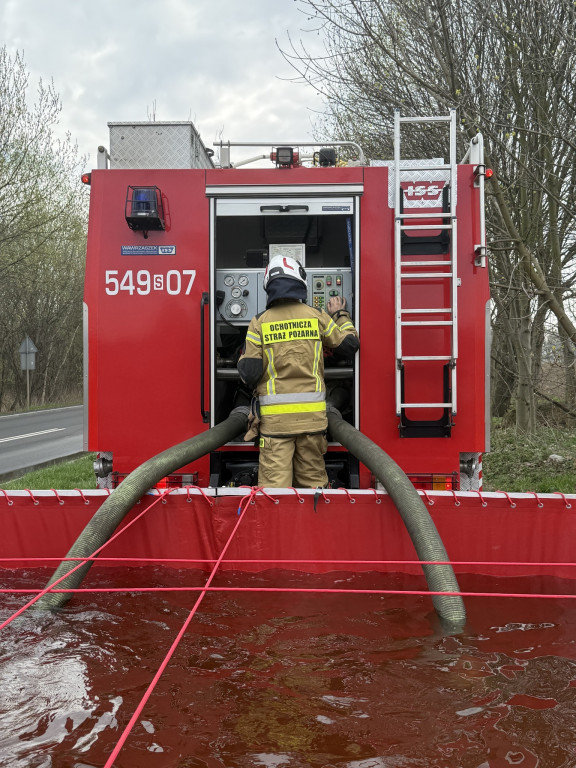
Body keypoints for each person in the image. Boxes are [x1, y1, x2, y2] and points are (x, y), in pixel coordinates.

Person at [237, 254, 359, 488]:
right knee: (313, 491)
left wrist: (242, 355)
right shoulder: (317, 316)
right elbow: (349, 345)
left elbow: (249, 374)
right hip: (312, 425)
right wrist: (341, 315)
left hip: (275, 427)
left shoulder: (259, 322)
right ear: (300, 280)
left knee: (274, 496)